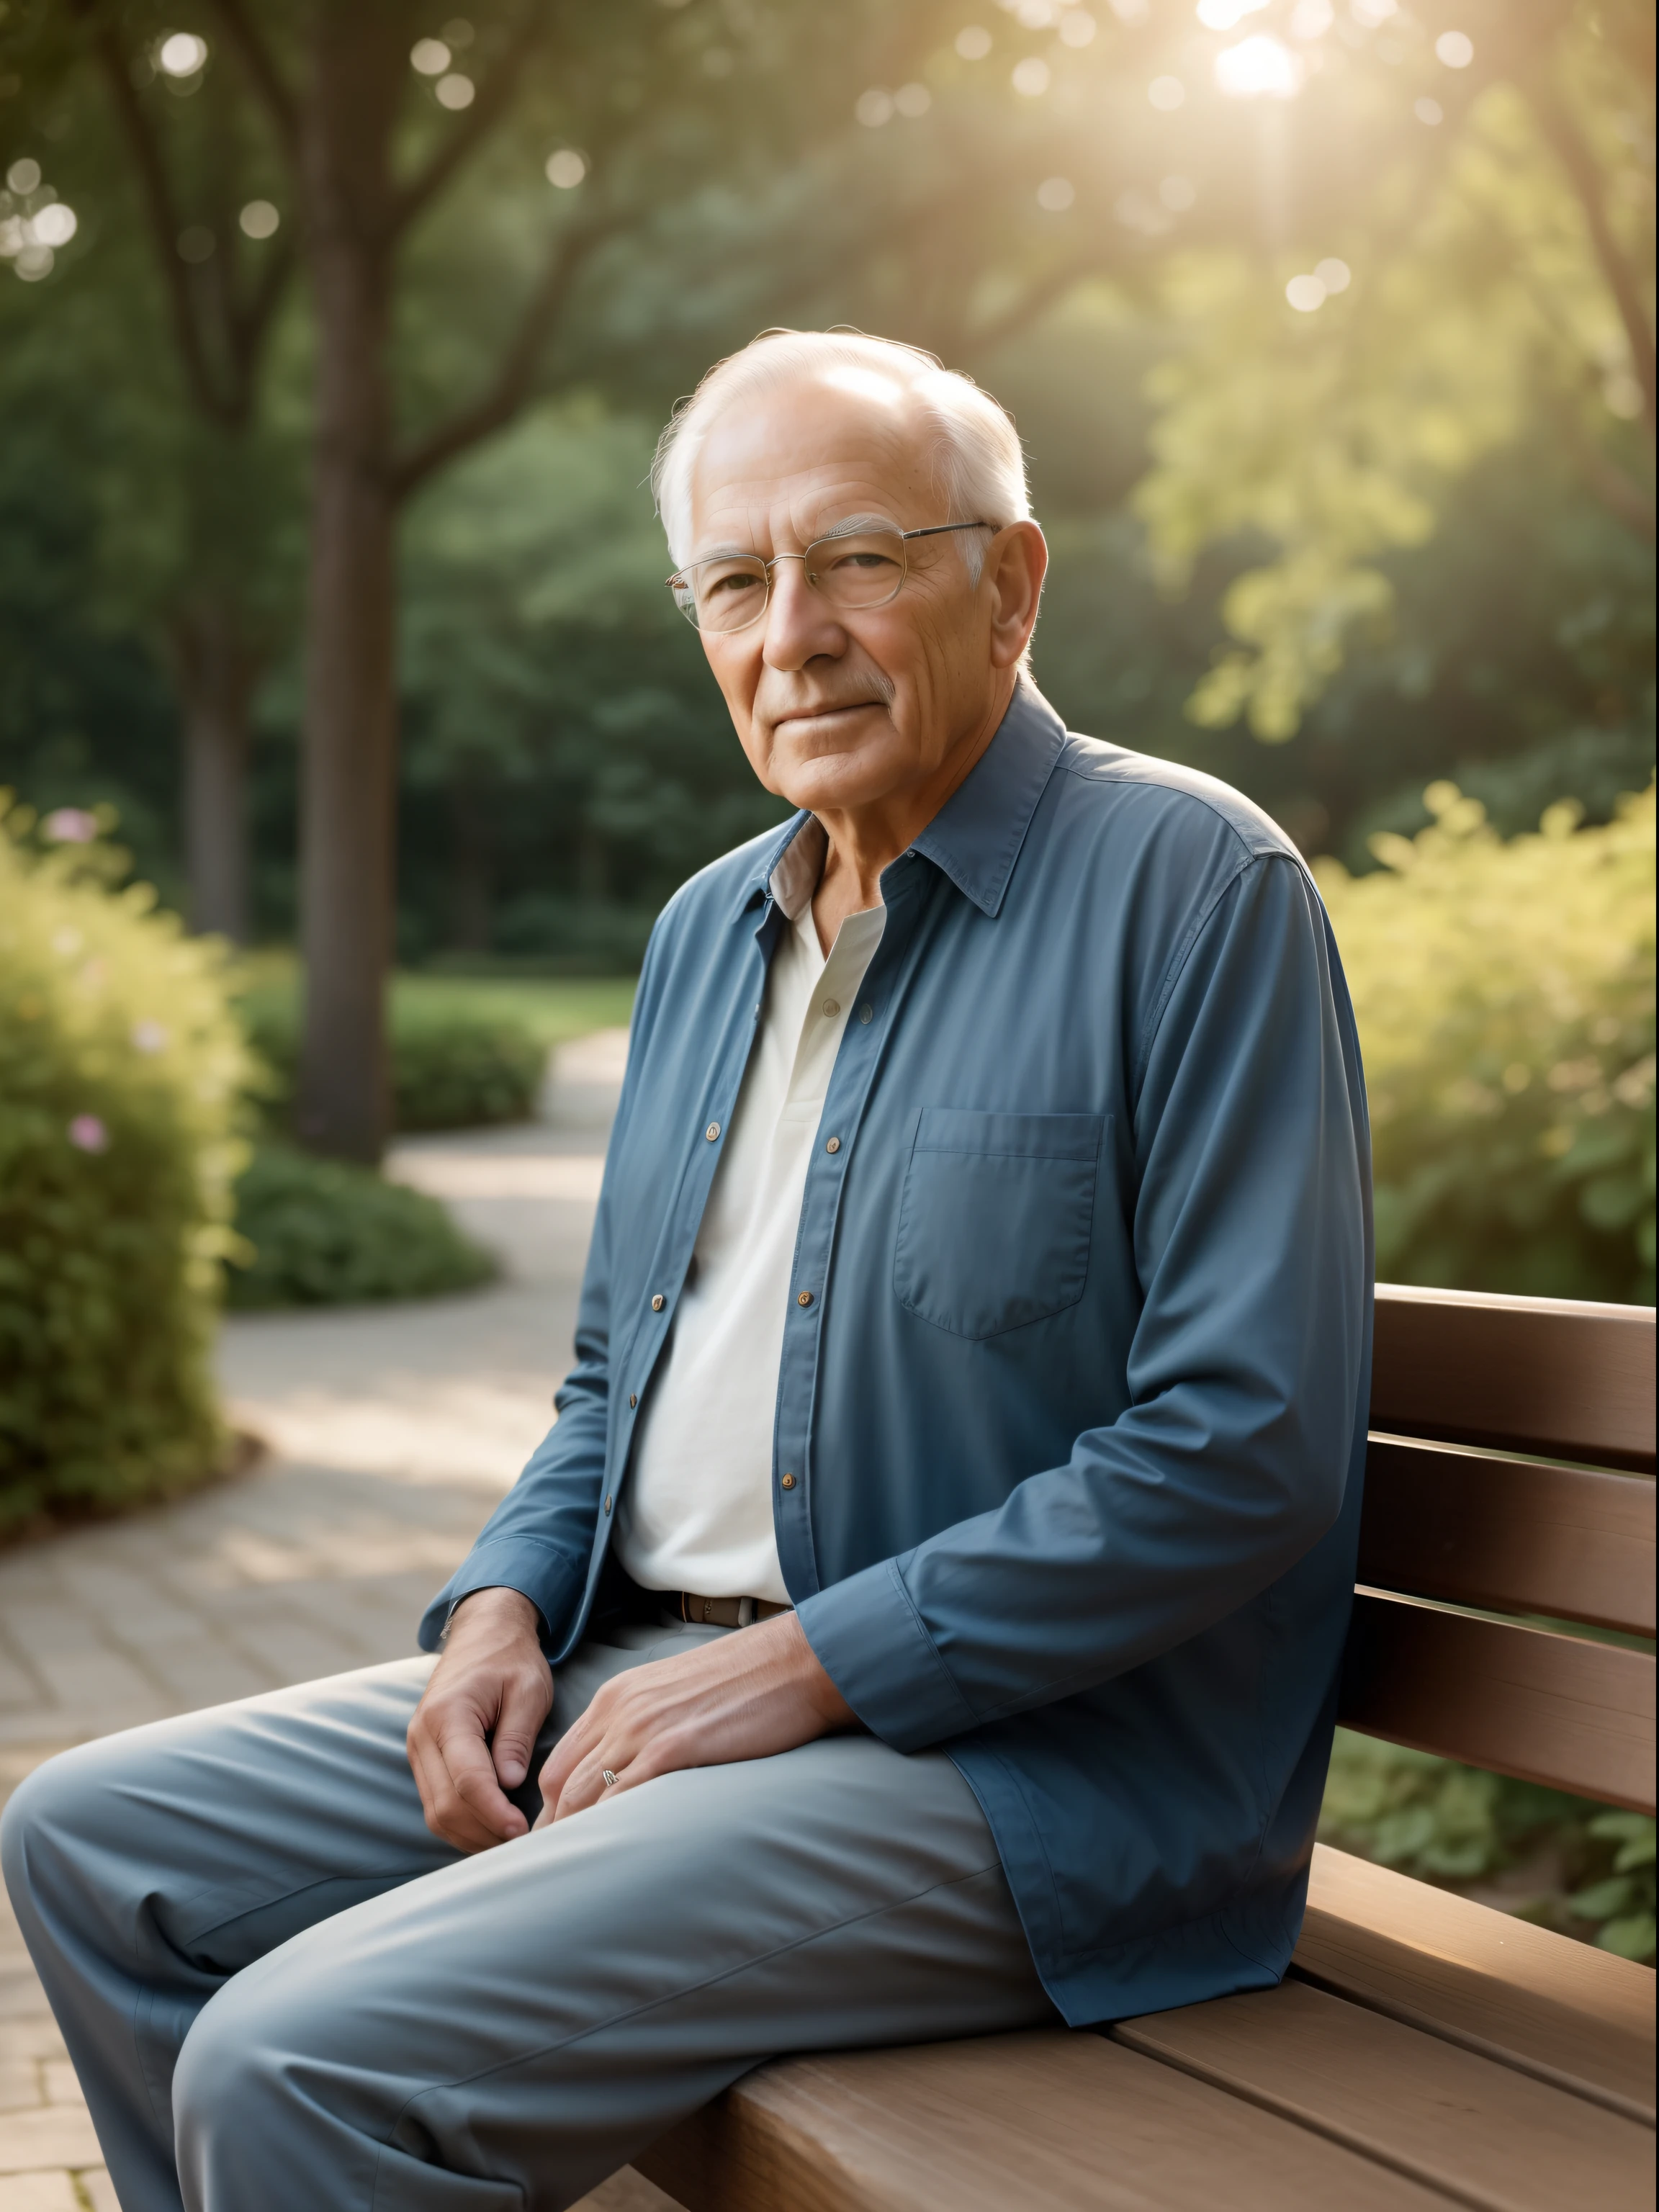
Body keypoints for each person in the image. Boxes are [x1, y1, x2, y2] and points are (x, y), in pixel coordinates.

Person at [2, 329, 1372, 2212]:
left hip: (1034, 1777)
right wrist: (500, 1604)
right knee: (89, 1840)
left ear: (1015, 581)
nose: (791, 629)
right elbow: (611, 1381)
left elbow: (1245, 1446)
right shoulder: (702, 936)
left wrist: (806, 1669)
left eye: (862, 558)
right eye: (736, 578)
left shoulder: (1197, 891)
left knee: (295, 2055)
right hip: (647, 1681)